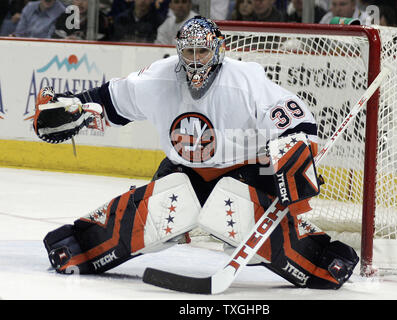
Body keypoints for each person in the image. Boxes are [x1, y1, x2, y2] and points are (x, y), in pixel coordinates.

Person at [32, 16, 359, 290]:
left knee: (234, 210)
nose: (194, 59)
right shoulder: (158, 77)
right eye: (188, 51)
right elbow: (109, 98)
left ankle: (320, 258)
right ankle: (83, 245)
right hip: (181, 173)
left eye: (202, 50)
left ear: (218, 48)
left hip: (243, 173)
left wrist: (295, 151)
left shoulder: (244, 80)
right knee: (164, 206)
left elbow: (295, 117)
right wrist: (76, 105)